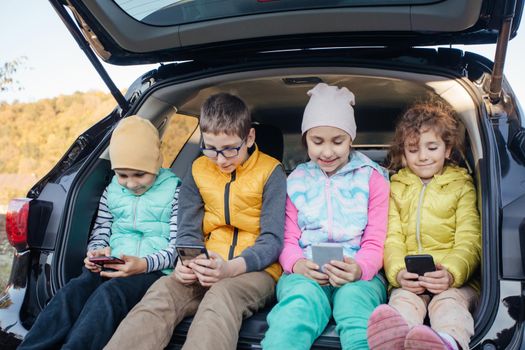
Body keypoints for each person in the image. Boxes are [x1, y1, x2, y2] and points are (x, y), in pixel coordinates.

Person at [105, 92, 287, 350]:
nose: (220, 159)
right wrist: (187, 262)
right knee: (161, 294)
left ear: (249, 138)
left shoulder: (272, 172)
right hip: (206, 262)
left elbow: (272, 239)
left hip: (256, 269)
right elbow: (187, 227)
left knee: (221, 297)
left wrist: (231, 268)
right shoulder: (198, 169)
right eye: (210, 148)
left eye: (229, 149)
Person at [19, 115, 181, 350]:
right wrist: (96, 251)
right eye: (122, 175)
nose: (131, 183)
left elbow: (176, 248)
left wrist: (143, 265)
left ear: (156, 163)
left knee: (108, 297)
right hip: (112, 263)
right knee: (71, 293)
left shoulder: (175, 191)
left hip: (152, 271)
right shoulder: (112, 191)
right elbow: (102, 230)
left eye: (140, 175)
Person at [261, 83, 390, 350]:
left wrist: (360, 269)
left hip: (360, 275)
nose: (327, 152)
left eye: (338, 141)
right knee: (293, 314)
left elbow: (376, 241)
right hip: (305, 273)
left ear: (351, 138)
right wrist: (296, 265)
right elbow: (287, 237)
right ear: (306, 139)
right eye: (317, 142)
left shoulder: (372, 178)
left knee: (357, 315)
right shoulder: (295, 181)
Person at [367, 100, 481, 350]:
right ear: (403, 154)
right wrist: (398, 274)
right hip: (411, 279)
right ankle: (394, 342)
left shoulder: (461, 186)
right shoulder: (396, 187)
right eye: (413, 149)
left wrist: (451, 273)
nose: (423, 156)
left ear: (447, 150)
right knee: (403, 304)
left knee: (449, 304)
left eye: (432, 147)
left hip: (455, 281)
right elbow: (392, 238)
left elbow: (470, 239)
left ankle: (448, 343)